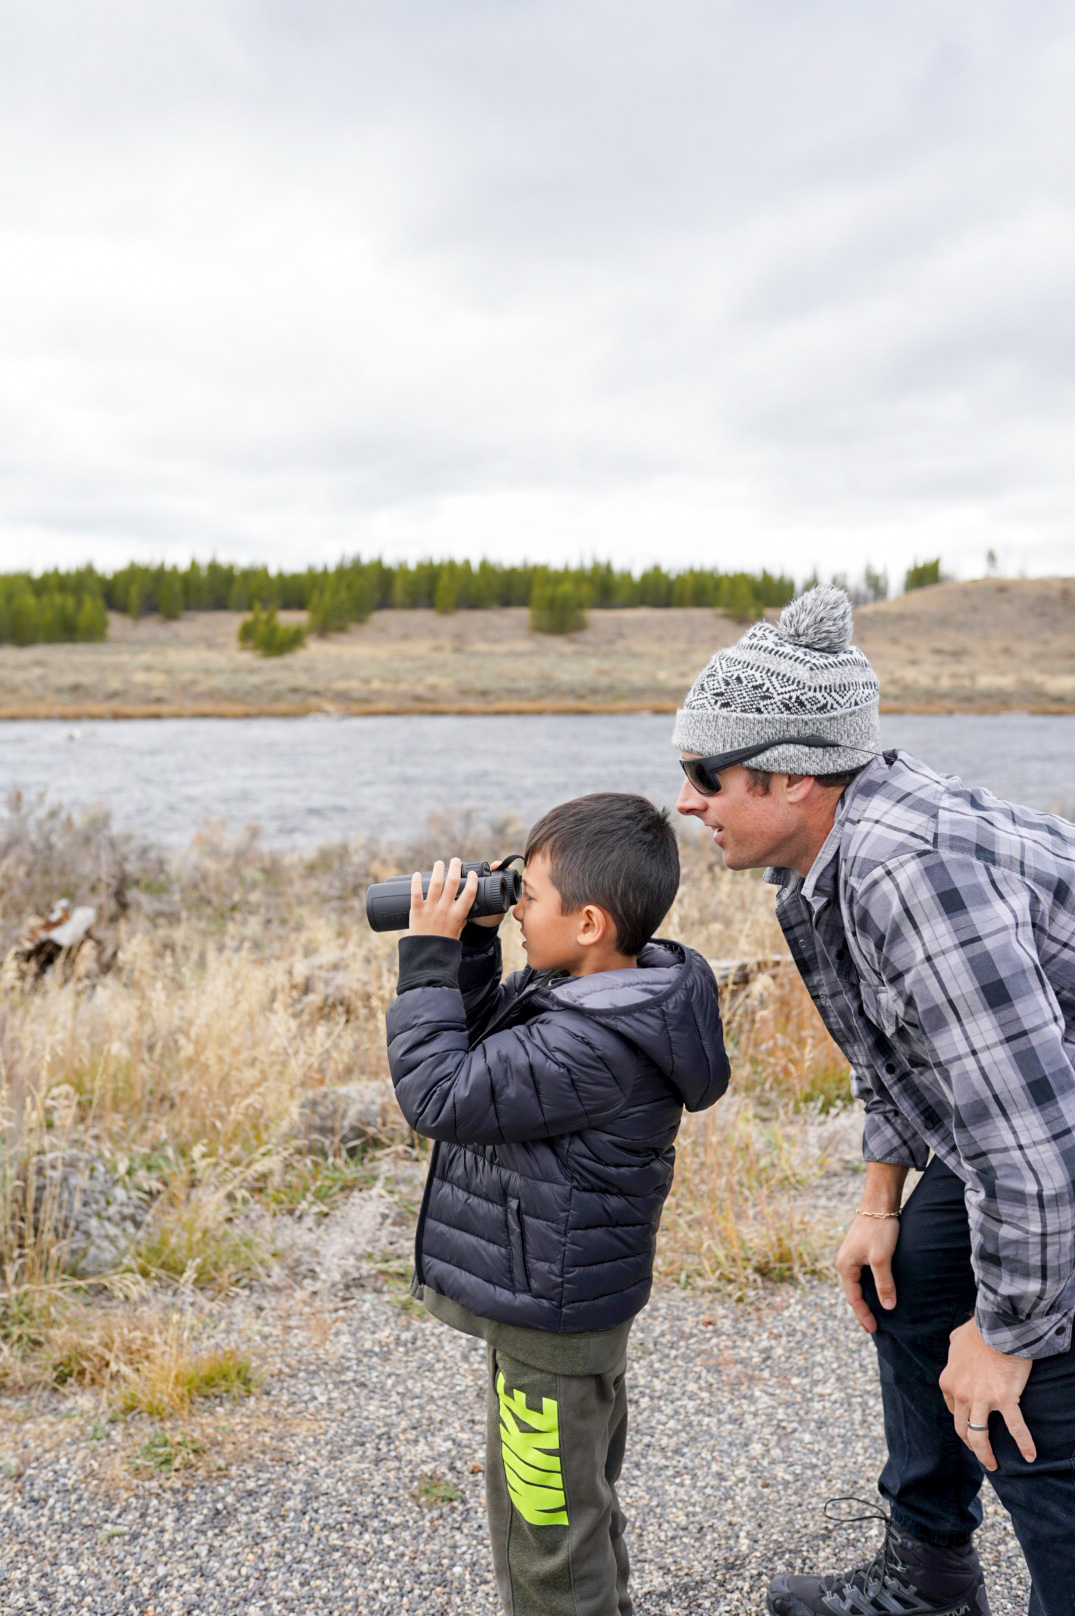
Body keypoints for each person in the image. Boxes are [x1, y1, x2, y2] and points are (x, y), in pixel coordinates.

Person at [673, 585, 1075, 1616]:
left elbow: (1030, 1143)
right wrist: (876, 1203)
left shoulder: (908, 870)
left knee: (1035, 1405)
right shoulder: (825, 856)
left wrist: (1008, 1332)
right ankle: (930, 1574)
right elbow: (898, 1057)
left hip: (1050, 1132)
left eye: (705, 774)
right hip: (1039, 1112)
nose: (688, 801)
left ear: (794, 773)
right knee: (909, 1279)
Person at [384, 792, 729, 1616]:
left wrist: (426, 959)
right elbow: (482, 1045)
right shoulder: (601, 997)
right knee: (577, 1511)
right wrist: (471, 943)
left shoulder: (588, 1043)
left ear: (588, 924)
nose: (514, 912)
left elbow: (440, 1091)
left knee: (547, 1538)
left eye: (524, 899)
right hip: (560, 1301)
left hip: (550, 1315)